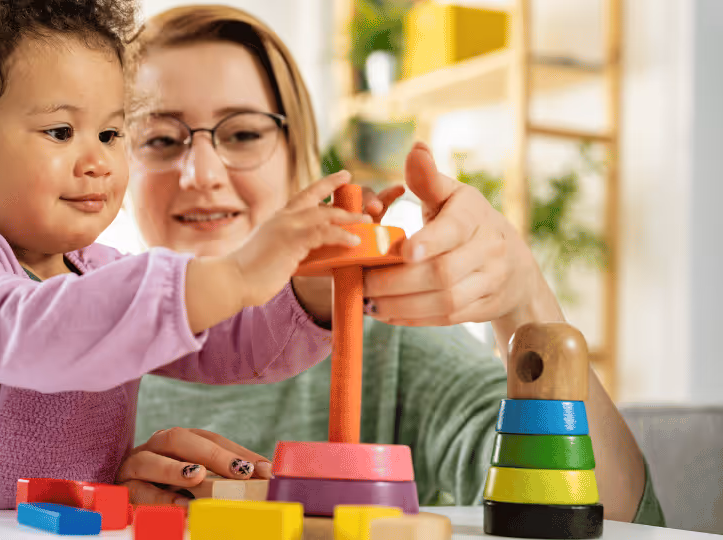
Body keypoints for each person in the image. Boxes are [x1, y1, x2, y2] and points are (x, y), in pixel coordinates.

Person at [124, 4, 665, 525]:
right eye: (160, 138)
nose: (201, 173)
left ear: (298, 155)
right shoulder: (65, 342)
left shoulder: (388, 341)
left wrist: (524, 302)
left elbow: (607, 517)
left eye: (243, 133)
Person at [0, 0, 375, 510]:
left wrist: (310, 294)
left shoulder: (104, 273)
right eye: (61, 131)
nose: (99, 162)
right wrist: (233, 274)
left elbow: (234, 342)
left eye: (112, 132)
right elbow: (37, 333)